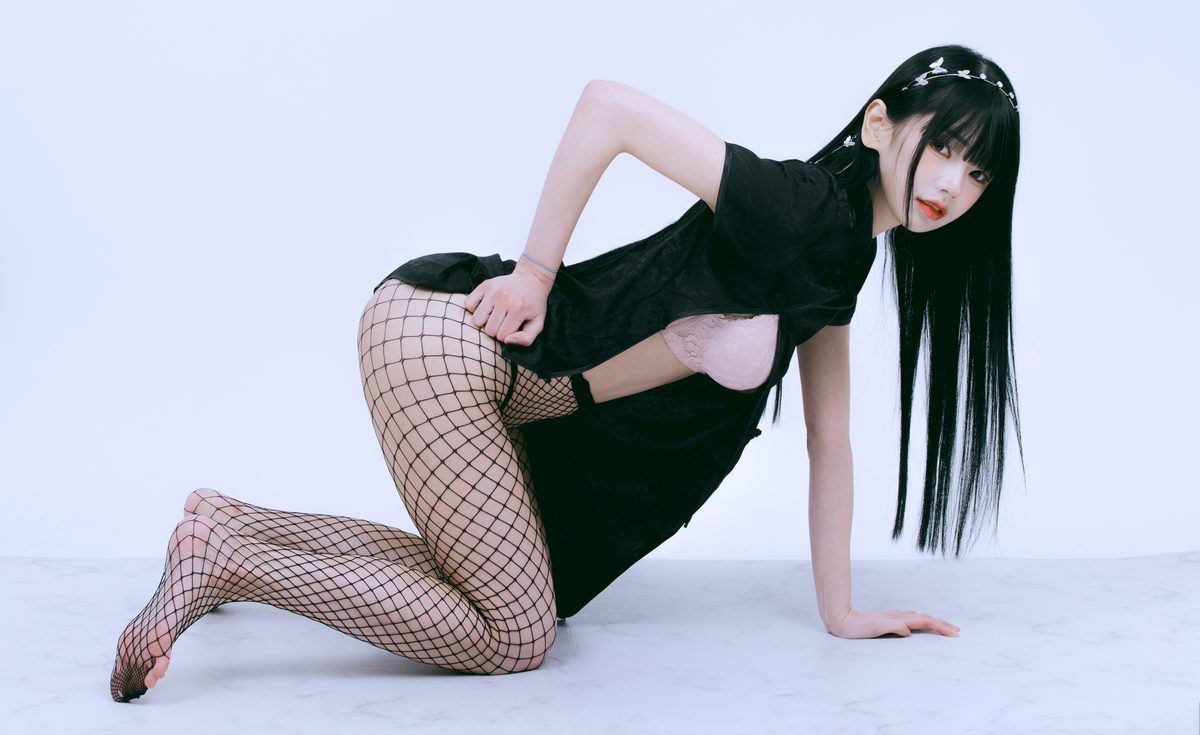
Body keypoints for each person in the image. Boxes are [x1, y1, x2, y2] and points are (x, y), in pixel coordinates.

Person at [110, 43, 1025, 702]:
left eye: (978, 172)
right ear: (878, 123)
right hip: (463, 347)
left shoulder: (836, 259)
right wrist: (536, 272)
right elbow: (609, 107)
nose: (953, 183)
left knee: (496, 585)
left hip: (480, 369)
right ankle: (232, 564)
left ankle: (231, 526)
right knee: (513, 634)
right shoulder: (798, 208)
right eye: (943, 145)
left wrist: (843, 610)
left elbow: (832, 440)